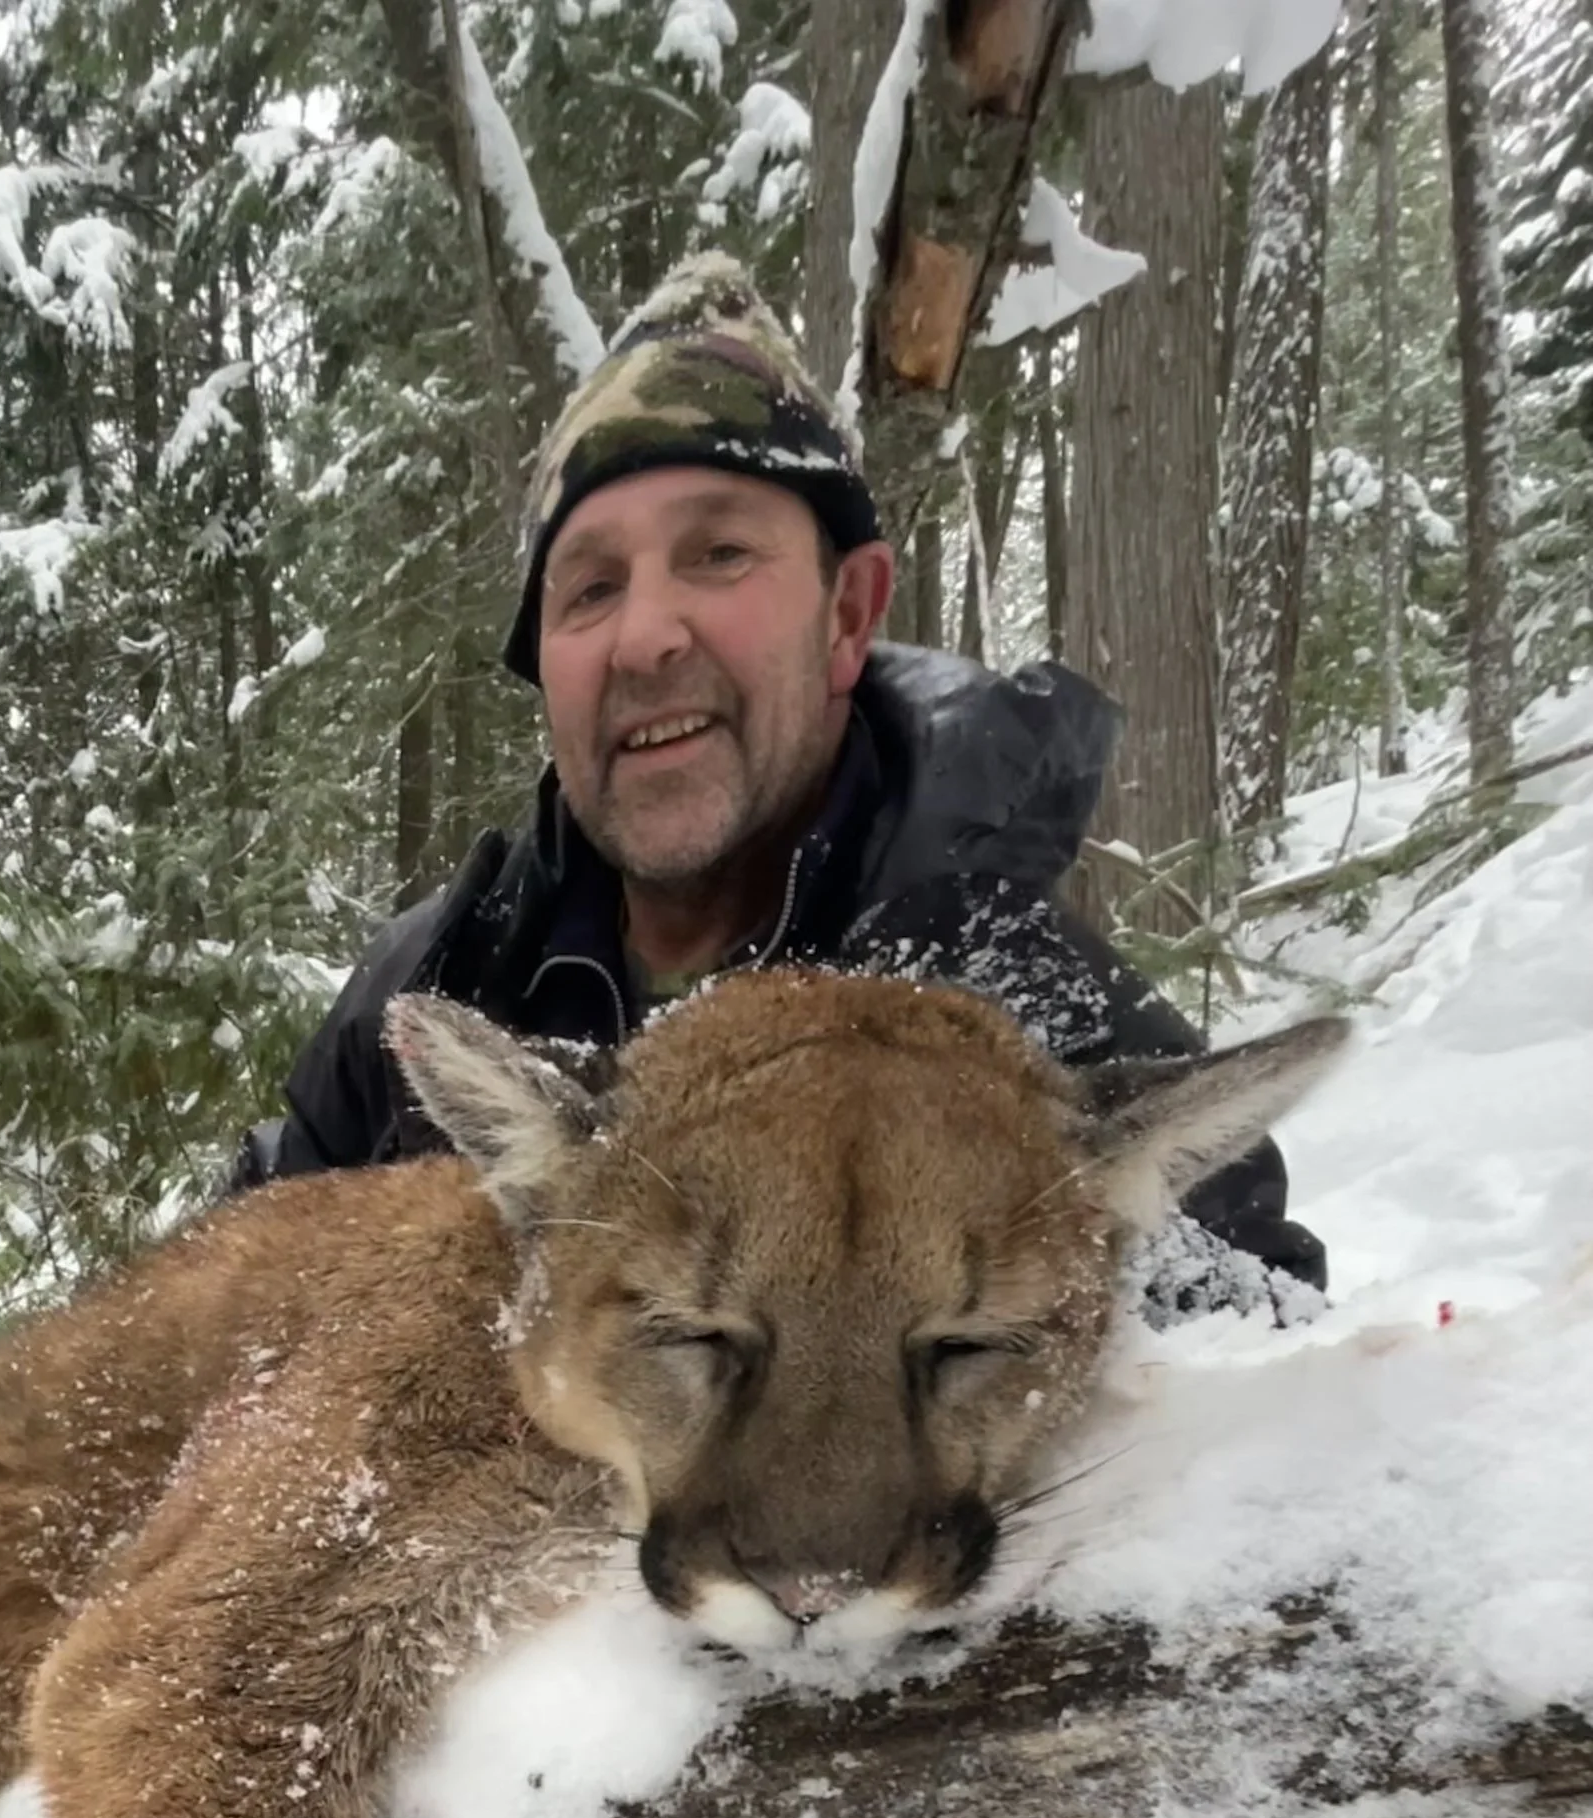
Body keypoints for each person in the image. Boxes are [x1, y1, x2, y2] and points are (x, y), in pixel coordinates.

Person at [238, 256, 1324, 1308]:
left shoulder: (1024, 1024)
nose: (645, 637)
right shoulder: (436, 982)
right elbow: (236, 1296)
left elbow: (1233, 1403)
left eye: (718, 554)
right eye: (589, 589)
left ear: (848, 612)